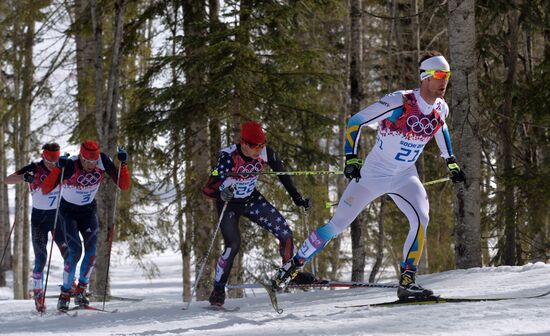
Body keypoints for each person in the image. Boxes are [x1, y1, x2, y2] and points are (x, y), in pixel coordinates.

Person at [272, 51, 466, 299]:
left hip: (405, 175)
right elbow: (356, 121)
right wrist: (351, 157)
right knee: (336, 226)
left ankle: (407, 282)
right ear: (425, 77)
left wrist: (450, 162)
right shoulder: (400, 101)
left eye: (447, 76)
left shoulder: (441, 108)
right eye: (439, 75)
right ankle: (292, 267)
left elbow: (441, 127)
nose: (444, 81)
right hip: (374, 173)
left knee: (421, 219)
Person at [202, 121, 313, 307]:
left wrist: (298, 199)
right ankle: (218, 289)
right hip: (229, 203)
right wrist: (221, 192)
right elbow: (207, 191)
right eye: (255, 146)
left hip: (251, 199)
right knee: (233, 245)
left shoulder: (265, 152)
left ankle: (290, 274)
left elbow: (283, 175)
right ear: (244, 143)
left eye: (262, 144)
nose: (259, 149)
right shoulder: (228, 157)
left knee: (285, 233)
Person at [41, 140, 131, 311]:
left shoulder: (102, 160)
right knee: (75, 251)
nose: (91, 165)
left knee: (91, 253)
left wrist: (123, 163)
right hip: (68, 213)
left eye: (94, 160)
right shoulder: (70, 165)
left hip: (88, 211)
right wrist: (58, 169)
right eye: (87, 161)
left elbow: (124, 185)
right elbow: (46, 189)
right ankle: (65, 294)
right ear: (80, 156)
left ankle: (81, 291)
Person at [3, 143, 68, 312]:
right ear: (43, 156)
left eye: (54, 160)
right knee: (41, 258)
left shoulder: (62, 167)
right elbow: (7, 179)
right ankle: (38, 294)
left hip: (57, 219)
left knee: (68, 253)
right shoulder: (34, 168)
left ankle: (69, 288)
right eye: (48, 160)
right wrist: (24, 177)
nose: (52, 163)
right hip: (38, 220)